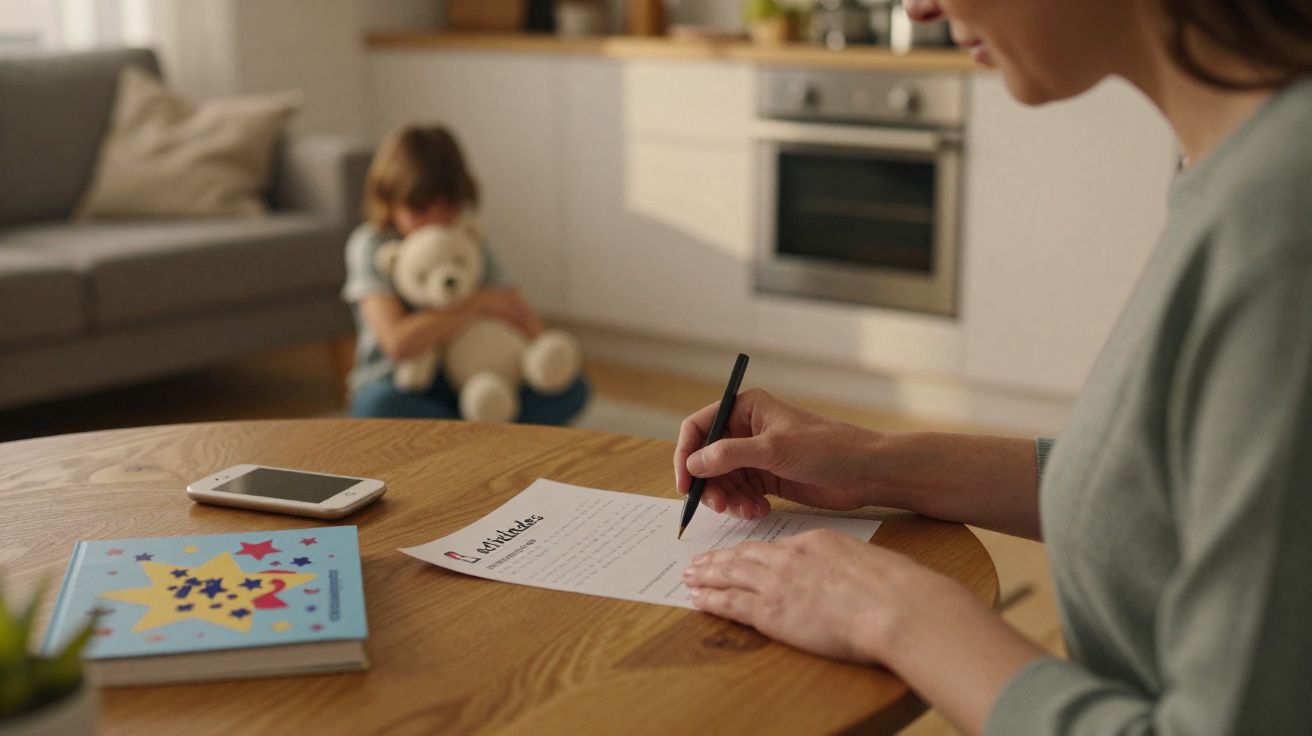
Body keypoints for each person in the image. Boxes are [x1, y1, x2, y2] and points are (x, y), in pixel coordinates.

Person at [674, 0, 1312, 733]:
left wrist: (899, 614)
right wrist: (870, 461)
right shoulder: (1239, 165)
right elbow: (1164, 495)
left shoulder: (1284, 229)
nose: (919, 6)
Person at [341, 125, 589, 423]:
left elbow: (522, 316)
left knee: (571, 387)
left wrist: (544, 360)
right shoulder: (372, 244)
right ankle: (484, 435)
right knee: (379, 407)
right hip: (402, 383)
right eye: (420, 211)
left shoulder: (467, 239)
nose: (435, 224)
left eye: (446, 210)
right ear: (390, 201)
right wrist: (477, 303)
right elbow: (398, 343)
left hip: (473, 378)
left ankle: (472, 433)